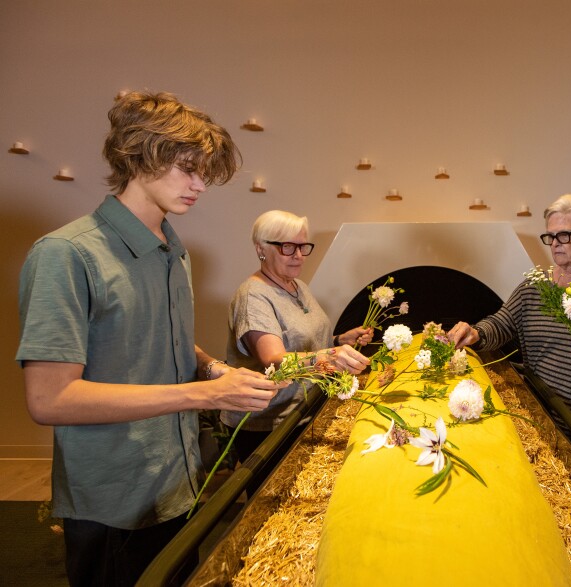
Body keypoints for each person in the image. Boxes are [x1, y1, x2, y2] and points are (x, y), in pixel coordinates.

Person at [15, 91, 284, 586]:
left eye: (206, 172)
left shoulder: (173, 251)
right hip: (115, 500)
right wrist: (204, 394)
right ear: (139, 155)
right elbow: (49, 399)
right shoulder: (66, 255)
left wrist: (211, 368)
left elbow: (162, 342)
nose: (200, 185)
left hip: (178, 482)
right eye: (188, 168)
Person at [449, 194, 571, 461]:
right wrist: (475, 333)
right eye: (550, 236)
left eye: (564, 236)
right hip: (547, 423)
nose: (555, 245)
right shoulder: (536, 286)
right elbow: (501, 323)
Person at [220, 210, 373, 461]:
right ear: (261, 249)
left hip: (302, 409)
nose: (299, 256)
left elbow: (303, 339)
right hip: (269, 424)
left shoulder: (297, 286)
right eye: (288, 247)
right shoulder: (253, 295)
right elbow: (275, 360)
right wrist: (331, 355)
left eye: (303, 246)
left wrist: (338, 340)